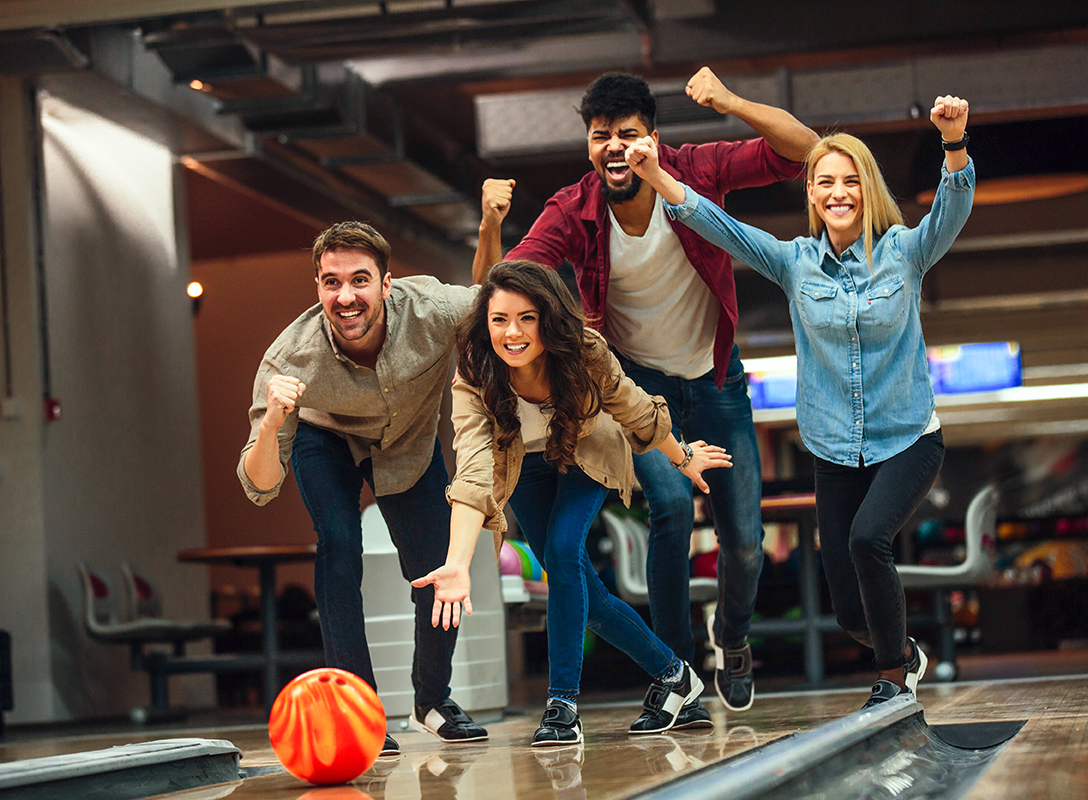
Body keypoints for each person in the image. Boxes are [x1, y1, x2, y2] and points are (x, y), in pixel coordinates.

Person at [473, 68, 819, 722]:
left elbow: (803, 149)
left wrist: (728, 101)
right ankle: (679, 677)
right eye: (601, 136)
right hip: (640, 387)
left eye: (628, 135)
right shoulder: (574, 209)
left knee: (744, 538)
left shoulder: (697, 170)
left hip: (716, 380)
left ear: (653, 140)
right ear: (589, 145)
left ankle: (733, 638)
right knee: (667, 507)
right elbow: (504, 285)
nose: (614, 148)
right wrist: (490, 223)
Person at [626, 95, 974, 707]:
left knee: (870, 539)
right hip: (834, 448)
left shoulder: (904, 251)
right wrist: (657, 178)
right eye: (824, 182)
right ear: (811, 193)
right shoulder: (796, 264)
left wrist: (953, 144)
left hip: (908, 439)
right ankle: (905, 652)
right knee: (847, 610)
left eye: (849, 181)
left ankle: (892, 680)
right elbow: (720, 226)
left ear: (866, 189)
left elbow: (952, 209)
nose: (838, 192)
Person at [412, 260, 732, 745]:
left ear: (547, 317)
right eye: (499, 320)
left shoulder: (582, 351)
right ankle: (676, 677)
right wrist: (457, 561)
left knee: (563, 553)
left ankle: (562, 706)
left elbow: (633, 406)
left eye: (526, 318)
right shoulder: (476, 370)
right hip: (522, 466)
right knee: (588, 594)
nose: (512, 333)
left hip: (584, 449)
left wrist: (682, 455)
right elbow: (474, 468)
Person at [238, 221, 488, 755]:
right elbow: (259, 485)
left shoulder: (434, 309)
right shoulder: (289, 358)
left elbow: (500, 307)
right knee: (338, 545)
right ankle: (360, 711)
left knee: (434, 564)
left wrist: (489, 226)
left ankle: (433, 700)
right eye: (331, 283)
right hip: (323, 436)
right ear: (319, 289)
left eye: (359, 281)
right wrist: (271, 423)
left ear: (387, 283)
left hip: (407, 442)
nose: (346, 296)